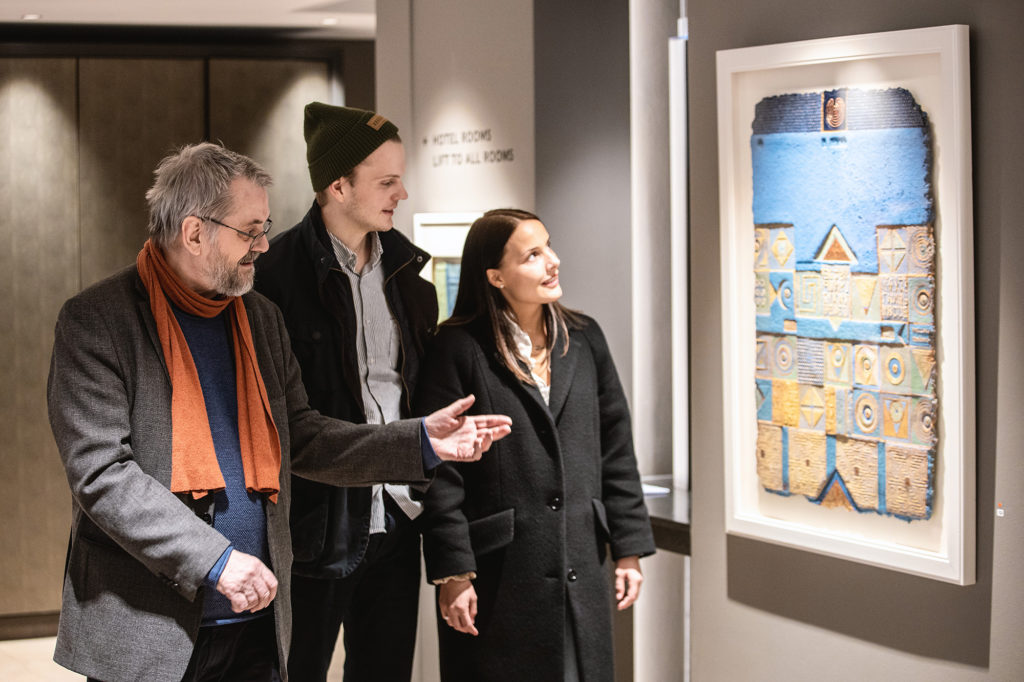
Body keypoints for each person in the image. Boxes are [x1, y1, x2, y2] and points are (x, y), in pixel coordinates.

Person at [45, 142, 511, 682]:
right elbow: (103, 474)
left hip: (257, 623)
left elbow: (304, 436)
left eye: (265, 227)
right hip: (148, 627)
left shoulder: (258, 317)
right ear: (195, 233)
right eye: (250, 230)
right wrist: (215, 560)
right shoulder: (97, 321)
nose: (264, 245)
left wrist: (418, 442)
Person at [414, 208, 656, 682]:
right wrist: (454, 571)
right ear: (495, 275)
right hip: (500, 573)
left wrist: (628, 546)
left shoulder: (584, 338)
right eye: (533, 255)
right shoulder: (457, 348)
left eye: (549, 246)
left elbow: (616, 449)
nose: (553, 261)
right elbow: (440, 474)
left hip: (581, 562)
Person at [255, 102, 435, 681]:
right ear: (337, 185)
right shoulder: (273, 276)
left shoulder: (408, 273)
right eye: (387, 181)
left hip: (400, 513)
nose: (401, 194)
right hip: (314, 524)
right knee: (295, 670)